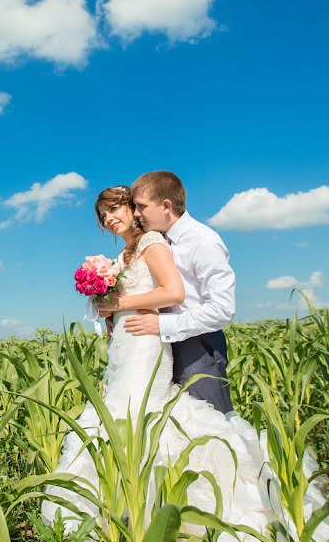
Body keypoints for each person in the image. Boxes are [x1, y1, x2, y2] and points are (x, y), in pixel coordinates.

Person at [41, 185, 329, 542]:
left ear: (136, 211)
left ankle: (186, 508)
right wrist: (107, 311)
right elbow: (122, 303)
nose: (110, 218)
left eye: (117, 209)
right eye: (103, 214)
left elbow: (174, 292)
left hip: (148, 344)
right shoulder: (122, 256)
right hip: (124, 347)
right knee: (121, 412)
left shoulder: (153, 241)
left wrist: (120, 303)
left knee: (142, 415)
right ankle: (126, 514)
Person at [100, 170, 235, 412]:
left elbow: (223, 310)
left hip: (197, 344)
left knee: (209, 423)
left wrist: (162, 324)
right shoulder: (153, 239)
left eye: (140, 207)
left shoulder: (203, 240)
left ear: (165, 205)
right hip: (156, 343)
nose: (137, 213)